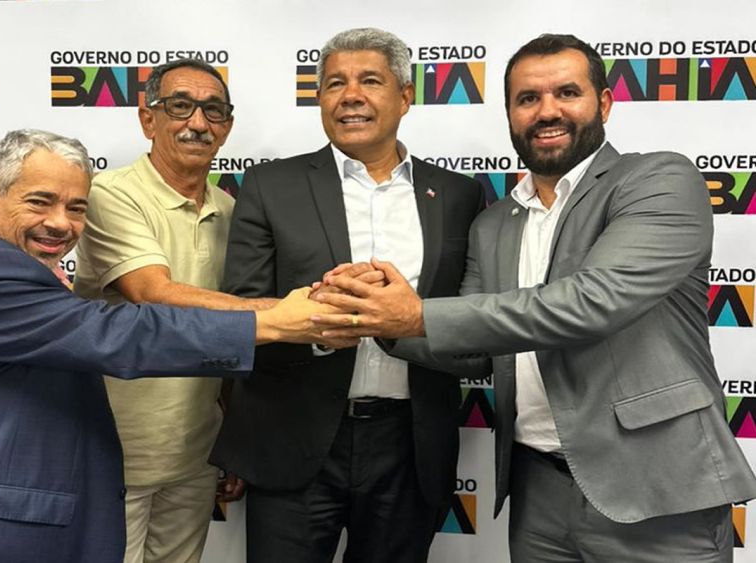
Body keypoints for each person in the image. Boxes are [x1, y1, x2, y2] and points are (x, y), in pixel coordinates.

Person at [313, 34, 756, 562]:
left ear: (604, 103)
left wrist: (415, 314)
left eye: (567, 93)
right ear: (509, 114)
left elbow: (591, 302)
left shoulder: (658, 179)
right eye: (527, 99)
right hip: (536, 489)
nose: (547, 111)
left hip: (656, 482)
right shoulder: (494, 222)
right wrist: (377, 319)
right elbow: (473, 348)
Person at [0, 129, 336, 563]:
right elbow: (120, 334)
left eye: (76, 208)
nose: (60, 223)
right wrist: (272, 322)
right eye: (40, 202)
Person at [210, 28, 485, 563]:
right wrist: (319, 328)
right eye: (335, 83)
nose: (350, 96)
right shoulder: (270, 186)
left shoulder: (458, 193)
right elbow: (240, 312)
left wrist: (400, 324)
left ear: (405, 96)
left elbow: (469, 320)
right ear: (320, 98)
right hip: (293, 439)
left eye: (370, 81)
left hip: (410, 447)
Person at [74, 59, 271, 563]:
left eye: (213, 111)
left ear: (227, 127)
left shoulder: (233, 212)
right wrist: (276, 314)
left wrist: (234, 441)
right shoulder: (111, 193)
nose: (198, 123)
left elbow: (230, 340)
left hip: (196, 452)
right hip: (113, 452)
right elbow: (152, 291)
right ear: (149, 119)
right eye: (180, 106)